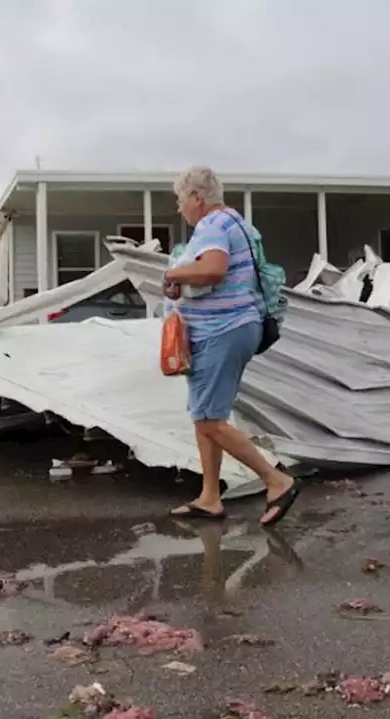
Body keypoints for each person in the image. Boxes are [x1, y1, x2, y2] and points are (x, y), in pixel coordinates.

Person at [163, 166, 299, 526]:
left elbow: (213, 269)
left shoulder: (212, 226)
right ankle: (210, 497)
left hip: (222, 329)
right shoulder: (237, 222)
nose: (180, 209)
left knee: (209, 419)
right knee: (205, 415)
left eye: (181, 200)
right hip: (234, 327)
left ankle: (277, 481)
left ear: (197, 197)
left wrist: (173, 274)